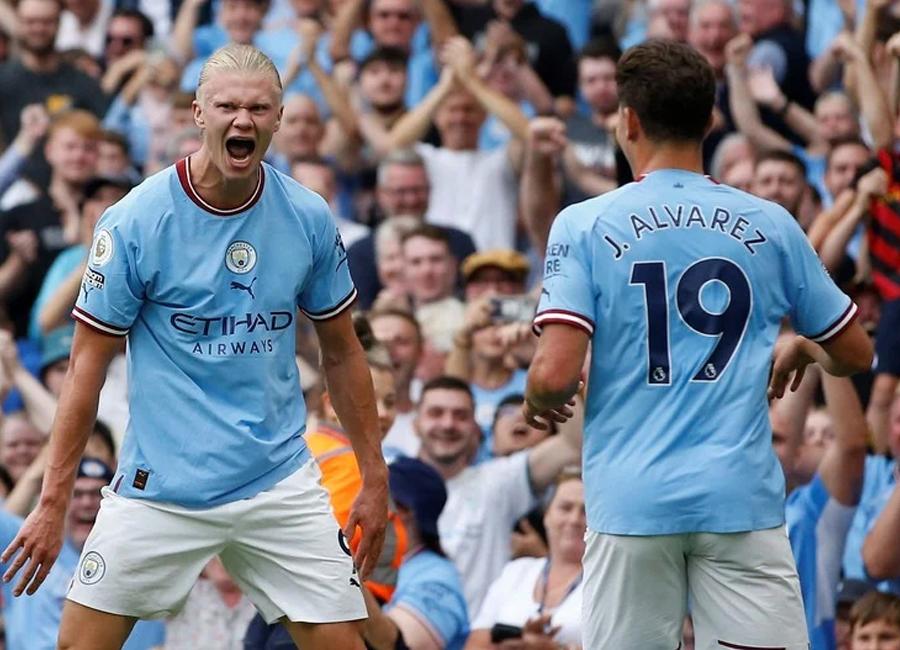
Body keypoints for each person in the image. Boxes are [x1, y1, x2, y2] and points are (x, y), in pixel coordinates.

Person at [1, 43, 388, 650]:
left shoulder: (308, 216)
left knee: (347, 645)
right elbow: (84, 369)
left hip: (276, 478)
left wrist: (374, 473)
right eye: (227, 106)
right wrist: (52, 503)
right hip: (163, 487)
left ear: (280, 118)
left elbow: (341, 352)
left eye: (259, 109)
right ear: (198, 113)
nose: (243, 121)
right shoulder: (137, 219)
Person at [525, 39, 872, 648]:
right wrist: (803, 347)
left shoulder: (584, 222)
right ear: (712, 120)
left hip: (632, 503)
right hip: (739, 498)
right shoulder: (770, 222)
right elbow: (854, 353)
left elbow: (555, 374)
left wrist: (535, 397)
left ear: (627, 120)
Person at [0, 457, 165, 650]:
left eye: (97, 494)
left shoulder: (140, 557)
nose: (87, 503)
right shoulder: (27, 545)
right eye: (76, 494)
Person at [465, 471, 585, 649]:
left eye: (586, 511)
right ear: (546, 515)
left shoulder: (609, 583)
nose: (574, 519)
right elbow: (474, 645)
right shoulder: (516, 571)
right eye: (565, 508)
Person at [360, 456, 469, 650]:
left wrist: (343, 574)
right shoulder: (374, 560)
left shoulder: (438, 578)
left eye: (373, 494)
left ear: (402, 510)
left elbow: (397, 646)